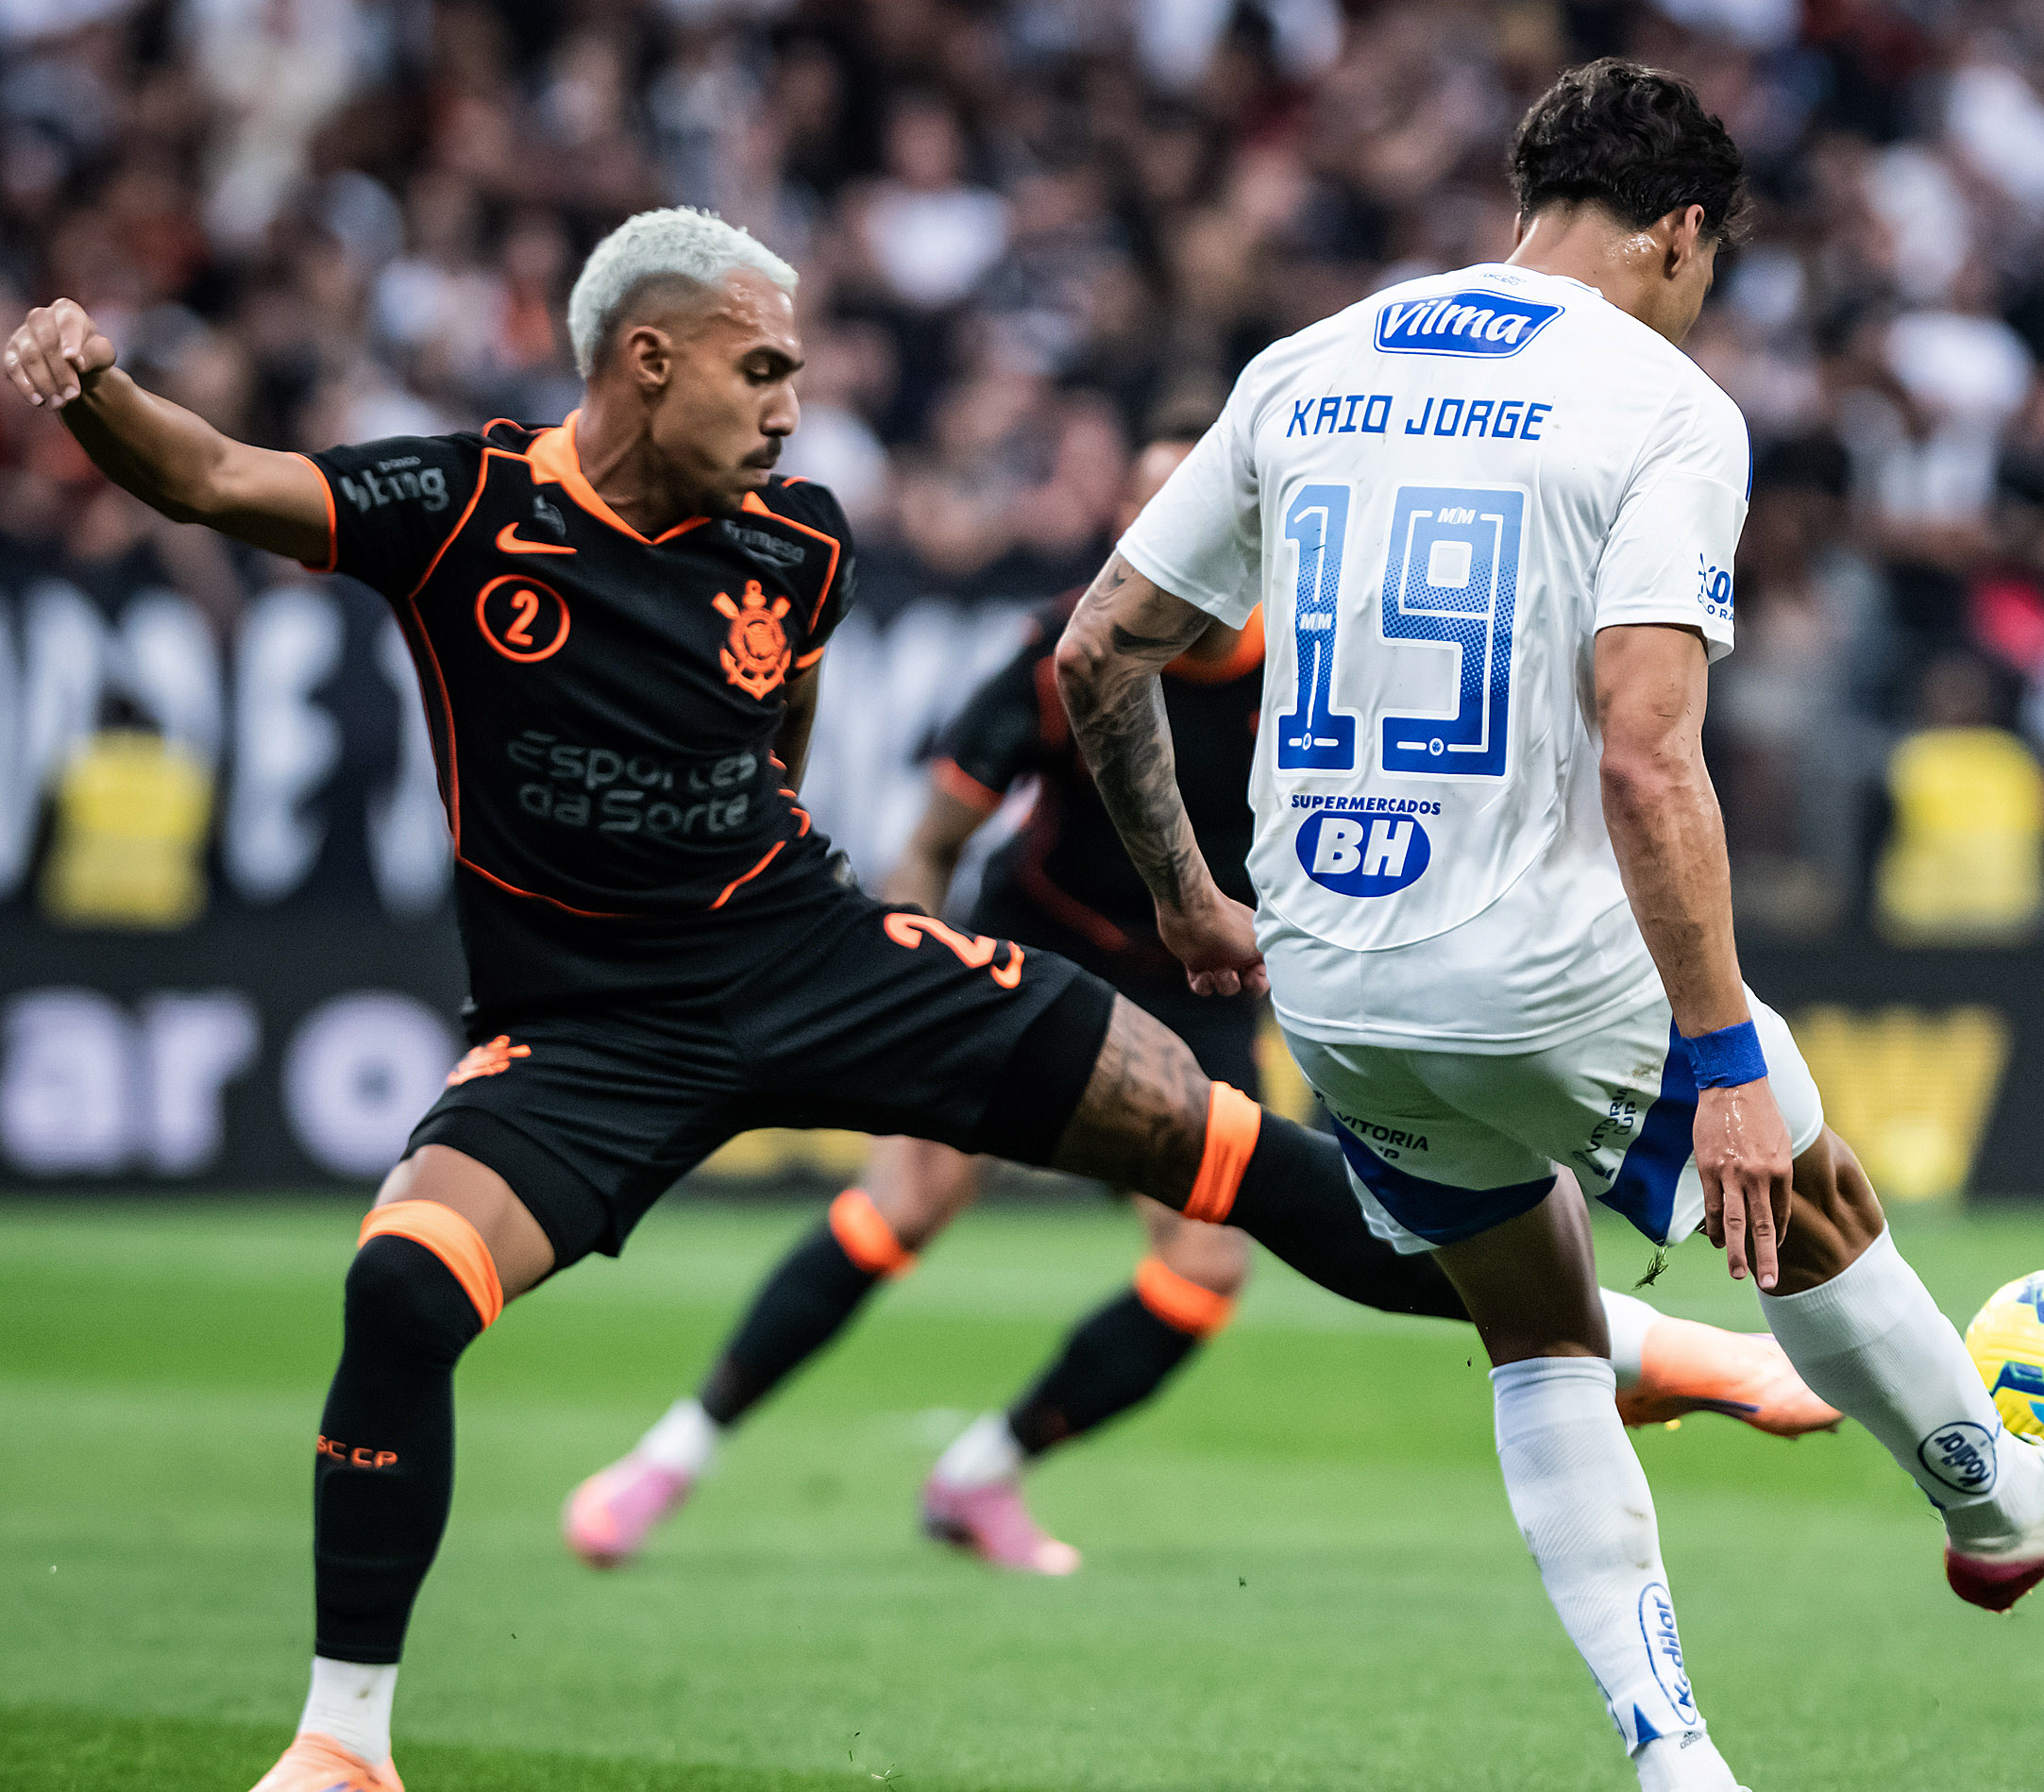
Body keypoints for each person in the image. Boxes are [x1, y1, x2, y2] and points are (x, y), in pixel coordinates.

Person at [4, 207, 1575, 1792]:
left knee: (1209, 1161)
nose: (789, 405)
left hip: (806, 958)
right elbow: (208, 475)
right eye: (763, 369)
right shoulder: (464, 505)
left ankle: (1607, 1334)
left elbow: (787, 716)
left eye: (798, 374)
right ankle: (345, 1751)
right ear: (647, 355)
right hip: (598, 1029)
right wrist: (91, 385)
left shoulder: (799, 545)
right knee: (404, 1284)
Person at [1056, 60, 2044, 1792]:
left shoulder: (1309, 362)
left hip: (1335, 976)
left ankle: (1682, 1773)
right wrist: (1720, 1052)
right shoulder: (1663, 403)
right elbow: (1646, 750)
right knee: (1814, 1200)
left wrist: (1193, 899)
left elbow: (1098, 649)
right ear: (1683, 232)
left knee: (1539, 1332)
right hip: (1540, 960)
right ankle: (2002, 1504)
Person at [563, 414, 1839, 1580]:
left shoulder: (1322, 658)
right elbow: (937, 840)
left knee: (1204, 1267)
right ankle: (668, 1459)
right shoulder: (1076, 650)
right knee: (905, 1201)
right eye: (1140, 515)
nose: (1158, 545)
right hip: (1041, 946)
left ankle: (980, 1475)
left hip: (1202, 979)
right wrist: (898, 967)